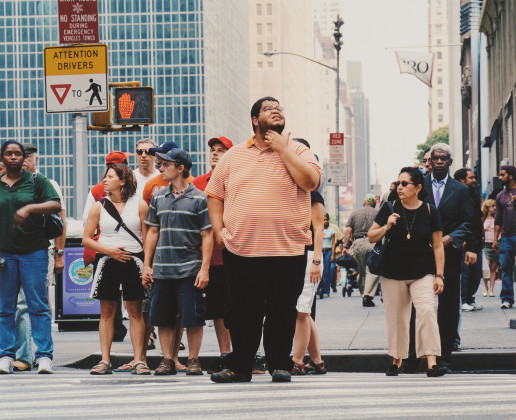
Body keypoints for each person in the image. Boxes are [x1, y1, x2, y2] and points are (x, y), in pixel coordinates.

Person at [206, 96, 321, 383]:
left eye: (279, 108)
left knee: (283, 310)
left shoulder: (298, 150)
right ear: (256, 120)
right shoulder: (233, 156)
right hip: (242, 249)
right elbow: (215, 194)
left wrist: (283, 149)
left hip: (288, 248)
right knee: (244, 311)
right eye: (269, 109)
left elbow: (310, 182)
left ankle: (280, 364)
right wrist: (219, 231)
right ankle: (240, 366)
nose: (276, 111)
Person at [404, 143, 475, 373]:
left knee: (448, 307)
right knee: (418, 306)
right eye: (436, 158)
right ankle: (412, 356)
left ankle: (444, 357)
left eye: (445, 158)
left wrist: (451, 238)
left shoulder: (461, 190)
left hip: (450, 255)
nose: (440, 162)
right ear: (430, 161)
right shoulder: (418, 186)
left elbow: (469, 223)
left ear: (451, 162)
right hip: (420, 254)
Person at [368, 167, 445, 377]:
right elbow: (371, 236)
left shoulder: (430, 210)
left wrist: (440, 275)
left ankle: (431, 362)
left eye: (405, 184)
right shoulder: (389, 207)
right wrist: (386, 226)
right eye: (398, 183)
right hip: (393, 272)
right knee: (396, 318)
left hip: (423, 272)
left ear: (418, 187)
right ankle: (396, 360)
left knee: (427, 311)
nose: (399, 187)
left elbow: (438, 245)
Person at [142, 148, 213, 376]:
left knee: (193, 317)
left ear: (181, 168)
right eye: (160, 164)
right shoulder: (158, 196)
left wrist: (204, 269)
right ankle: (167, 360)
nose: (161, 168)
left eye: (166, 164)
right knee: (163, 317)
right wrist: (147, 264)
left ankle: (193, 360)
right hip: (163, 268)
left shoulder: (200, 198)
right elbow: (152, 232)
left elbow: (207, 235)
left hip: (190, 268)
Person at [0, 140, 61, 375]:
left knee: (38, 306)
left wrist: (30, 209)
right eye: (9, 153)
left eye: (18, 154)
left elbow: (56, 204)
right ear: (3, 158)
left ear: (25, 158)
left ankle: (44, 355)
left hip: (34, 252)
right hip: (5, 254)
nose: (14, 157)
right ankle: (6, 354)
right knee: (5, 308)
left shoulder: (37, 181)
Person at [83, 164, 149, 375]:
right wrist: (108, 251)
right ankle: (104, 360)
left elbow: (148, 239)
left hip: (134, 259)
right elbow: (86, 239)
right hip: (106, 260)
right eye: (105, 176)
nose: (105, 180)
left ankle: (139, 360)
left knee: (135, 311)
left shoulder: (139, 205)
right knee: (107, 312)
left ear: (122, 180)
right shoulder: (98, 206)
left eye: (110, 176)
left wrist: (148, 265)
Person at [193, 136, 233, 373]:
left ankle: (248, 353)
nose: (215, 154)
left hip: (235, 253)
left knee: (237, 309)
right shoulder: (198, 183)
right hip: (206, 257)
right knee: (217, 310)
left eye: (221, 150)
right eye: (212, 150)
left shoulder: (238, 180)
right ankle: (225, 355)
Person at [291, 139, 326, 376]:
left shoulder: (312, 193)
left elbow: (318, 229)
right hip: (294, 255)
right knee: (300, 309)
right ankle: (317, 360)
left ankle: (296, 360)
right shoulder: (291, 190)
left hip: (309, 257)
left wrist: (315, 260)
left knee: (301, 311)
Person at [343, 194, 380, 307]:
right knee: (372, 269)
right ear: (374, 204)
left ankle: (363, 293)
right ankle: (367, 296)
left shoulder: (354, 213)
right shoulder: (377, 213)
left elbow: (348, 231)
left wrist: (345, 247)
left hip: (358, 243)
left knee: (361, 270)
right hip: (372, 242)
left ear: (364, 202)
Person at [454, 168, 483, 312]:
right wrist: (462, 238)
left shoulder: (474, 195)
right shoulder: (456, 196)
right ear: (462, 180)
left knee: (476, 273)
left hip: (476, 241)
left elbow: (477, 218)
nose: (474, 180)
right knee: (465, 273)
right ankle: (464, 300)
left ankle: (470, 298)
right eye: (471, 178)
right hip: (464, 242)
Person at [493, 165, 516, 309]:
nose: (500, 177)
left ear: (511, 176)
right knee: (506, 268)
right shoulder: (500, 195)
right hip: (506, 237)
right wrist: (496, 239)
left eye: (502, 175)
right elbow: (498, 220)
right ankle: (506, 299)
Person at [481, 199, 499, 297]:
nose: (494, 208)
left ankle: (491, 289)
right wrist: (484, 229)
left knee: (493, 268)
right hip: (486, 245)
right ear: (487, 207)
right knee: (486, 267)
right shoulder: (482, 219)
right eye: (493, 206)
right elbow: (478, 230)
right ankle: (485, 286)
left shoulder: (496, 219)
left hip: (494, 244)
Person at [317, 214, 335, 298]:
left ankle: (326, 290)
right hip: (320, 251)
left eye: (326, 219)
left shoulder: (331, 231)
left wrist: (333, 255)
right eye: (324, 220)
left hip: (328, 252)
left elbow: (333, 243)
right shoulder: (318, 230)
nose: (325, 221)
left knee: (326, 272)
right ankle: (318, 289)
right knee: (319, 271)